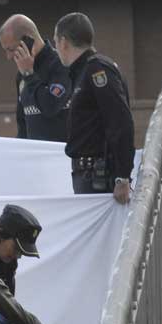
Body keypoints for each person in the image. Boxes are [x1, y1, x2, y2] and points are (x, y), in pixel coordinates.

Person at [54, 13, 135, 203]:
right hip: (88, 175)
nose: (56, 49)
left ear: (64, 42)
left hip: (98, 176)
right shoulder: (82, 72)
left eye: (56, 42)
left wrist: (122, 176)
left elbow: (120, 122)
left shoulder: (97, 70)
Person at [0, 14, 73, 142]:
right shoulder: (22, 75)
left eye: (10, 49)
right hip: (35, 157)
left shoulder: (61, 65)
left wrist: (29, 75)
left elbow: (51, 106)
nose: (9, 57)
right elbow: (22, 124)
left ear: (28, 40)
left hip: (60, 156)